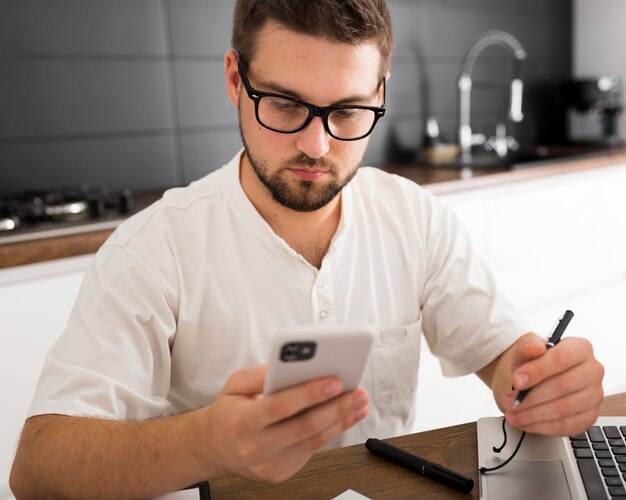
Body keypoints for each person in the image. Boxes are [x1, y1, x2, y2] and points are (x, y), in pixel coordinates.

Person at [10, 0, 604, 498]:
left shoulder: (412, 215)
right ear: (234, 80)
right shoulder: (153, 248)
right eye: (287, 105)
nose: (317, 146)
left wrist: (539, 383)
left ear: (380, 93)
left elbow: (503, 356)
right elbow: (37, 469)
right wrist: (206, 442)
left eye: (348, 111)